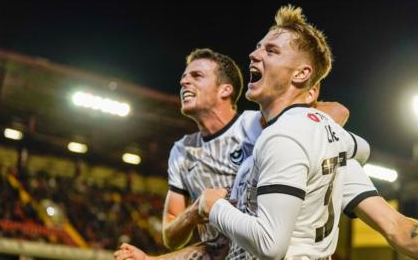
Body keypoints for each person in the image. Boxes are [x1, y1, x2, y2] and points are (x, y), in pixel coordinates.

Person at [199, 5, 418, 260]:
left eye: (271, 50)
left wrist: (214, 207)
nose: (254, 55)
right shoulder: (329, 144)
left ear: (302, 74)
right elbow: (395, 227)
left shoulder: (284, 138)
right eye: (258, 47)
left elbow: (270, 246)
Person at [113, 48, 368, 260]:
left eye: (196, 76)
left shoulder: (254, 124)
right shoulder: (181, 152)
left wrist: (301, 131)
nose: (183, 82)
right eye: (184, 76)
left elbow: (337, 110)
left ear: (225, 90)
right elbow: (171, 235)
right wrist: (197, 210)